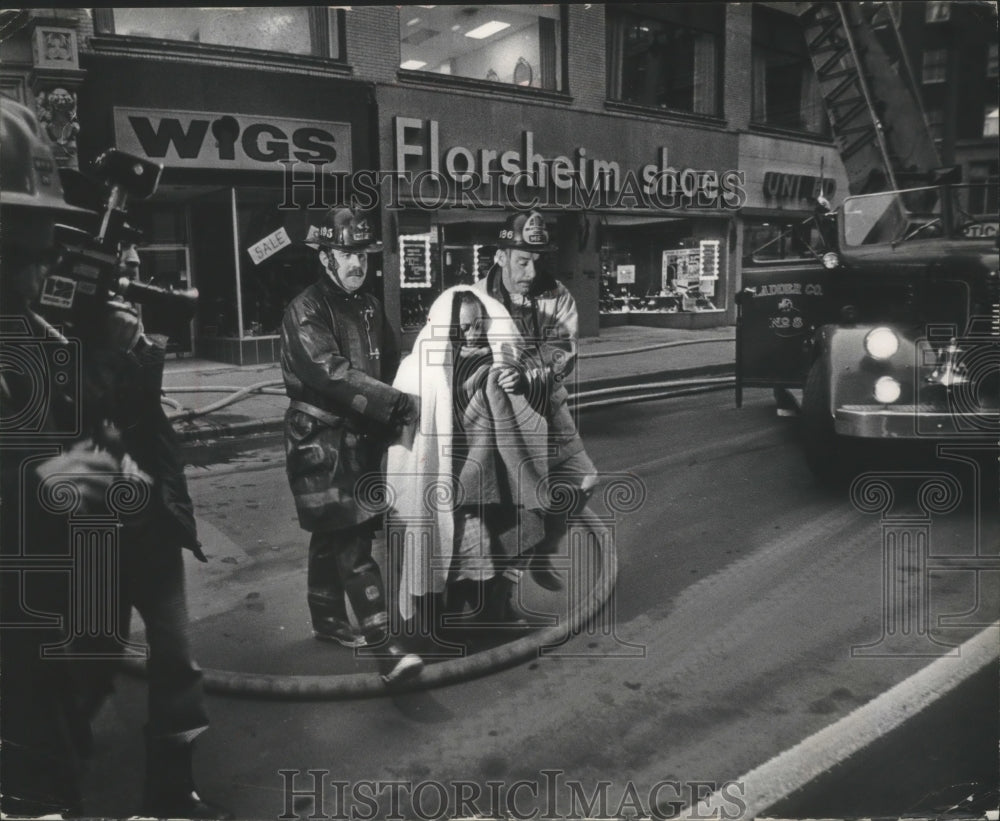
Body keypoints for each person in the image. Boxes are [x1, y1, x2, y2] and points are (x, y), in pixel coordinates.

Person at [280, 206, 423, 685]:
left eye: (361, 252)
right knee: (352, 536)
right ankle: (385, 649)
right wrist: (398, 405)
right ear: (324, 256)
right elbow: (330, 372)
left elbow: (388, 361)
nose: (357, 262)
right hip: (321, 441)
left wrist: (391, 405)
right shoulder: (305, 309)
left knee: (332, 531)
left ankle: (328, 621)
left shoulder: (368, 306)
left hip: (358, 437)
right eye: (346, 253)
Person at [387, 287, 549, 642]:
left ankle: (492, 609)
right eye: (464, 327)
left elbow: (534, 385)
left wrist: (518, 377)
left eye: (479, 325)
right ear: (447, 328)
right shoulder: (419, 369)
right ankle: (442, 622)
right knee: (451, 553)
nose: (474, 334)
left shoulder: (495, 365)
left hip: (485, 484)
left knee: (513, 537)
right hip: (448, 488)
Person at [475, 210, 599, 594]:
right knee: (513, 505)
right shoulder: (475, 299)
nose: (531, 271)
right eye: (523, 261)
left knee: (583, 480)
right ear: (500, 256)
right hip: (501, 419)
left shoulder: (556, 295)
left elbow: (563, 346)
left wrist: (527, 372)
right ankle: (503, 594)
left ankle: (543, 551)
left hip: (548, 407)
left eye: (537, 260)